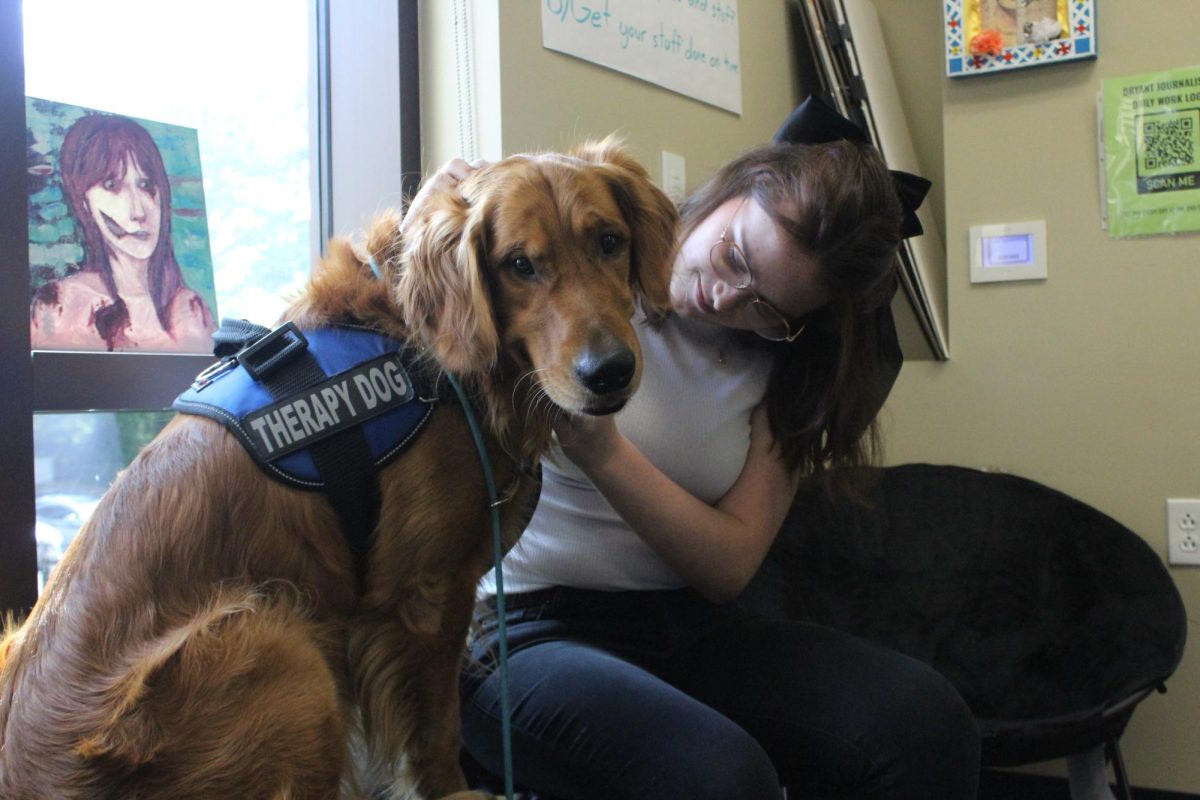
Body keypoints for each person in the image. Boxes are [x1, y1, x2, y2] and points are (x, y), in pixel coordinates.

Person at [435, 97, 981, 799]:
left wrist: (605, 454)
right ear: (728, 190)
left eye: (769, 308)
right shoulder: (581, 252)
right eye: (733, 255)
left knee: (927, 722)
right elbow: (446, 286)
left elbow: (728, 567)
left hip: (687, 625)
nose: (726, 298)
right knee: (721, 779)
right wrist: (437, 212)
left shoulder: (784, 370)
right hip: (522, 630)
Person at [30, 113, 216, 352]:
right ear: (84, 202)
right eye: (112, 186)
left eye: (146, 185)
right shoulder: (63, 305)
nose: (138, 211)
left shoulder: (191, 308)